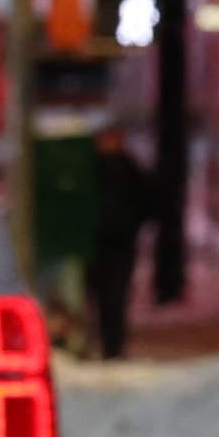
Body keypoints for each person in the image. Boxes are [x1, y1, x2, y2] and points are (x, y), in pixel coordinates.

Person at [78, 128, 157, 361]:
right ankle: (106, 344)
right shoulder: (122, 167)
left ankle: (108, 344)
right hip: (107, 242)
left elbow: (145, 201)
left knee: (110, 295)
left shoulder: (113, 168)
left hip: (111, 242)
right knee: (107, 295)